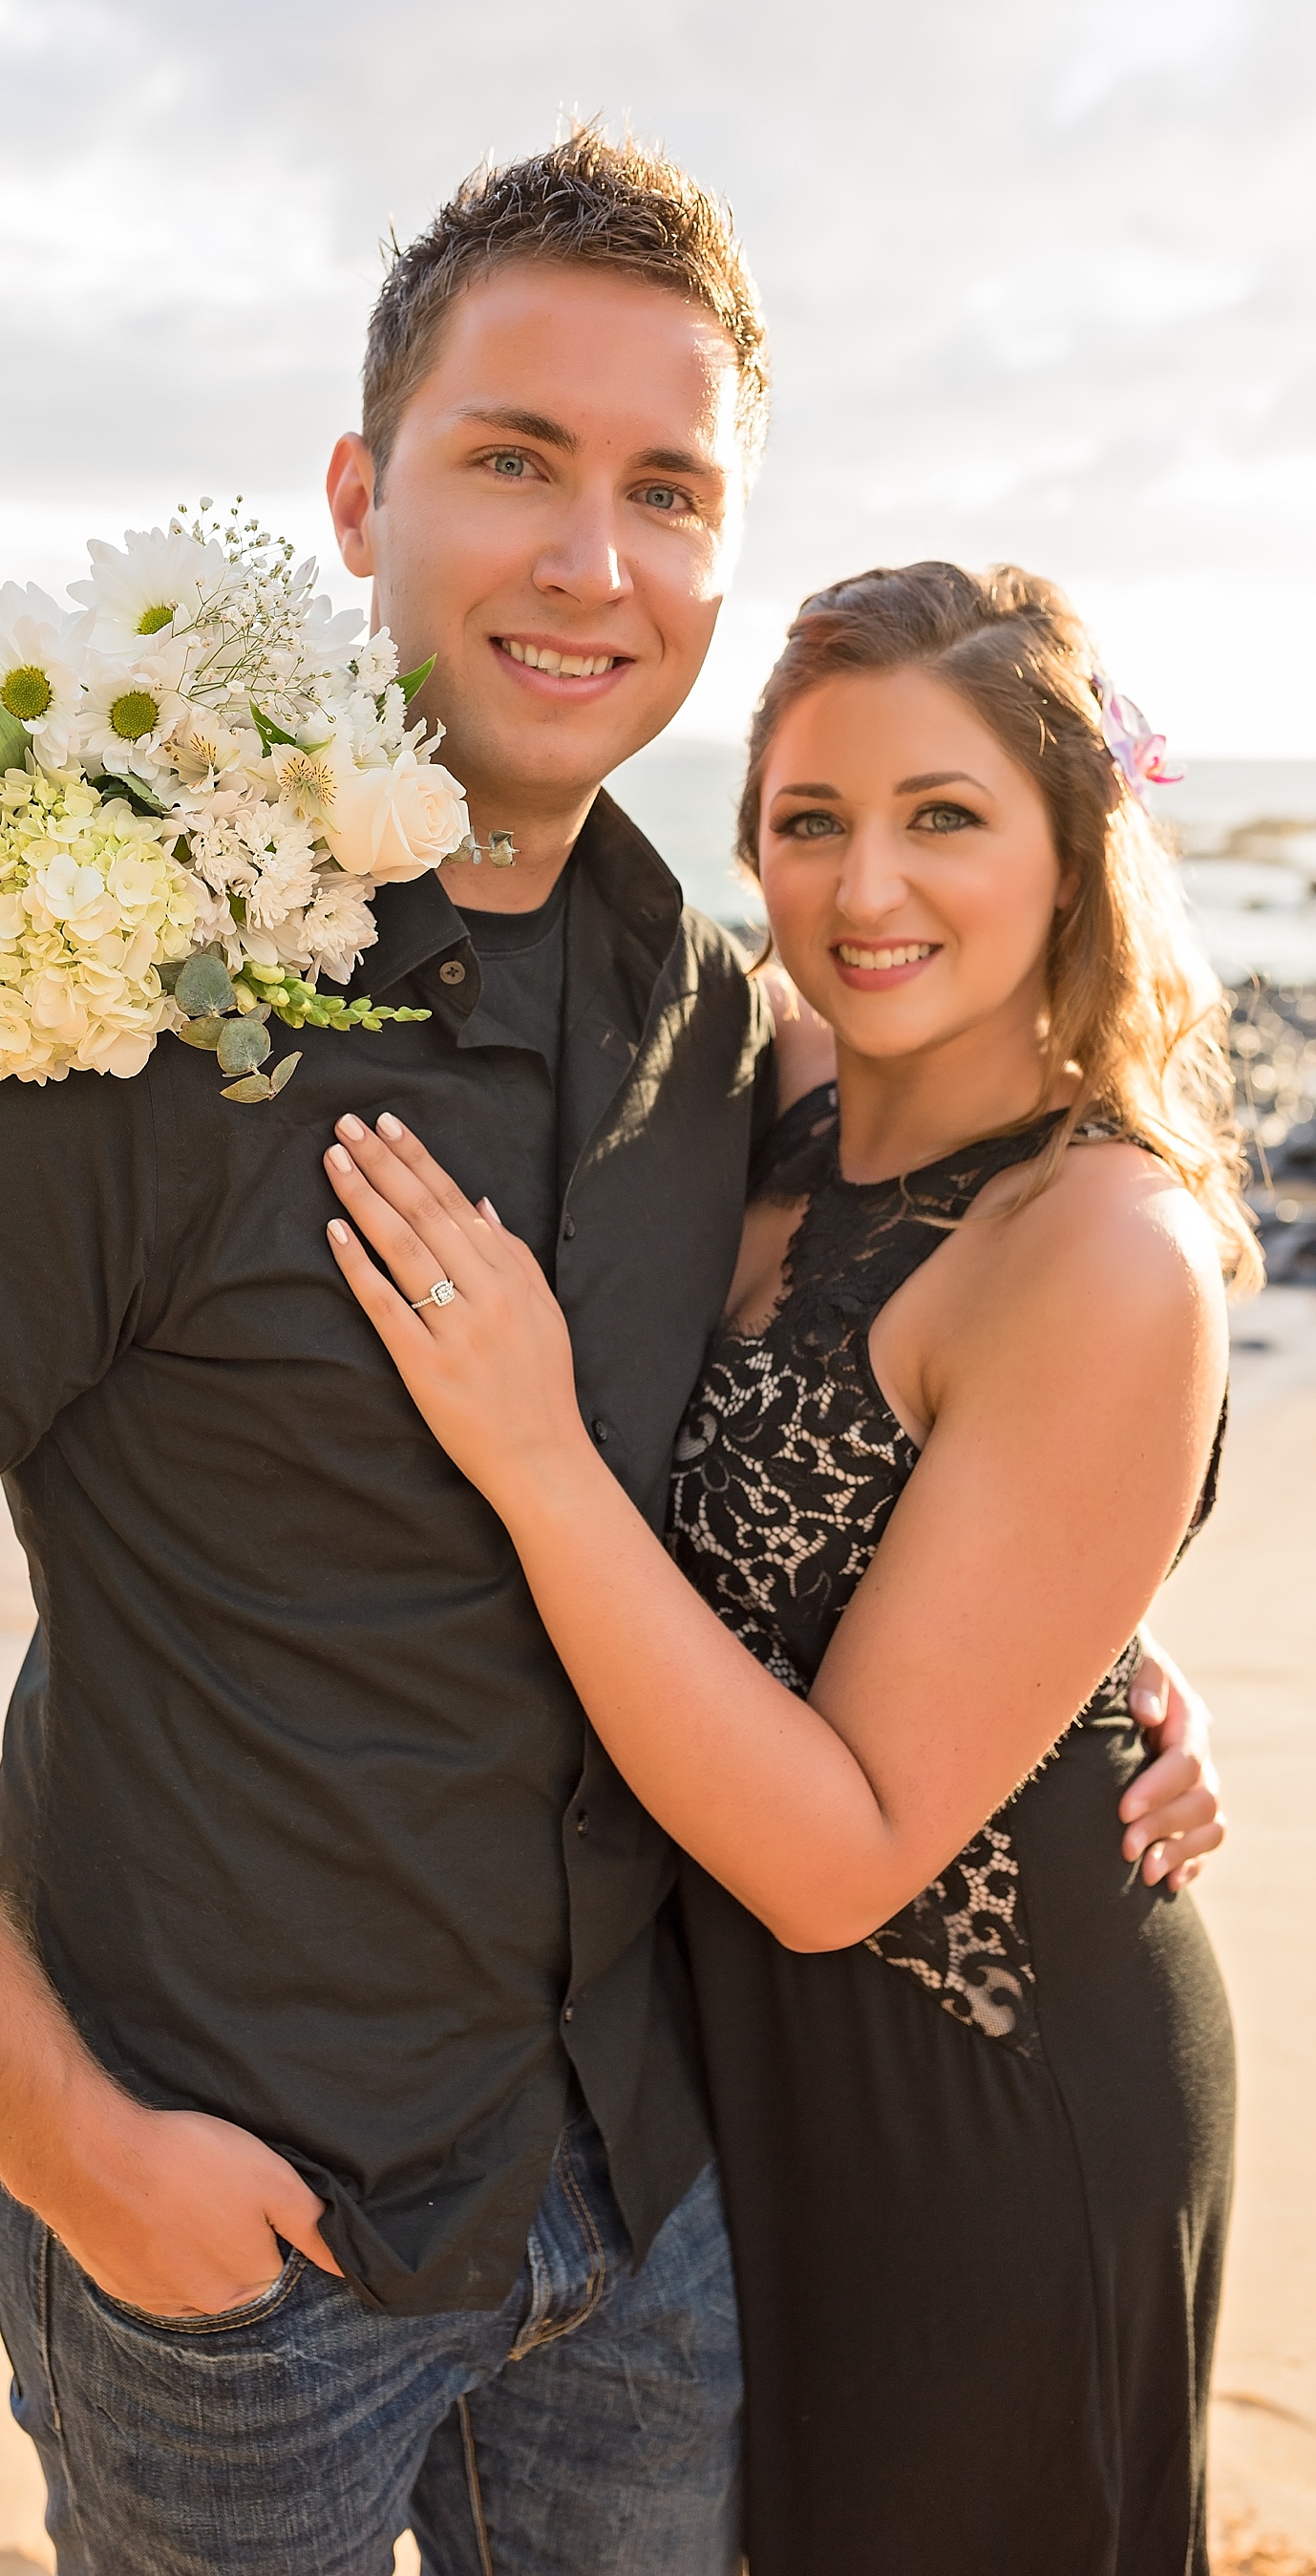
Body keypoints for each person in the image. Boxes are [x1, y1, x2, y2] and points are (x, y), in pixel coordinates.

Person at [0, 125, 1216, 2573]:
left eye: (667, 488)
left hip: (663, 2199)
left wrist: (1095, 1622)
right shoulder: (118, 1001)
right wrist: (80, 2152)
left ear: (720, 553)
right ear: (362, 494)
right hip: (245, 2256)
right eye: (515, 461)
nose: (594, 559)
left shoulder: (705, 1004)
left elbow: (943, 1343)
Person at [321, 559, 1247, 2575]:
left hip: (984, 2115)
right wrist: (1107, 1638)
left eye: (946, 815)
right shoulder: (763, 1096)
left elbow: (843, 1856)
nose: (868, 887)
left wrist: (536, 1452)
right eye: (813, 818)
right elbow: (891, 1529)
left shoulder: (1103, 1243)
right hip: (723, 2093)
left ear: (1078, 851)